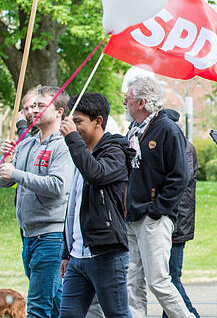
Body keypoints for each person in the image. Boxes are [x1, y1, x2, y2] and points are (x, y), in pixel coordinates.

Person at [57, 93, 134, 318]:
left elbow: (96, 174)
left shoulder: (115, 151)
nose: (73, 127)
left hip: (107, 253)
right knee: (68, 315)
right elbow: (74, 207)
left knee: (117, 314)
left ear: (98, 121)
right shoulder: (81, 154)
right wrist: (66, 251)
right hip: (77, 256)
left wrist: (72, 138)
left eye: (78, 121)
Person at [0, 86, 73, 318]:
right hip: (28, 235)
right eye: (33, 107)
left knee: (38, 305)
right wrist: (5, 160)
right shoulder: (27, 144)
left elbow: (58, 186)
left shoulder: (62, 146)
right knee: (52, 301)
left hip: (50, 235)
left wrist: (15, 174)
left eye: (41, 106)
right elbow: (5, 182)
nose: (34, 111)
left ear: (59, 112)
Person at [123, 77, 192, 318]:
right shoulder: (134, 131)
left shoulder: (167, 130)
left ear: (141, 102)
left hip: (153, 217)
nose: (125, 103)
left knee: (158, 282)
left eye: (128, 99)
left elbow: (180, 176)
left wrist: (157, 209)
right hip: (132, 215)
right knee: (132, 283)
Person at [163, 109, 200, 318]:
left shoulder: (183, 147)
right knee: (166, 278)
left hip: (177, 222)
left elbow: (178, 181)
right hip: (174, 219)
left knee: (170, 278)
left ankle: (190, 314)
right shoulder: (176, 145)